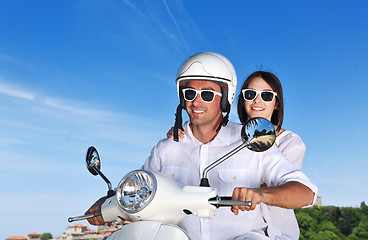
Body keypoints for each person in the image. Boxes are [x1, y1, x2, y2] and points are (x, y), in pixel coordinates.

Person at [85, 52, 317, 240]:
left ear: (225, 98)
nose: (196, 101)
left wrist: (260, 194)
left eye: (207, 94)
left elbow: (305, 194)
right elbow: (140, 192)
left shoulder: (250, 142)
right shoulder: (165, 148)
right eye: (189, 93)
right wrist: (107, 204)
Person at [169, 71, 306, 239]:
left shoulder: (290, 142)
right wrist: (190, 135)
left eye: (267, 96)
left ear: (277, 103)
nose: (257, 100)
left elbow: (278, 184)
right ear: (242, 100)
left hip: (275, 230)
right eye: (250, 94)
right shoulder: (231, 138)